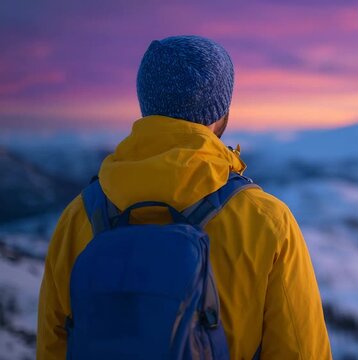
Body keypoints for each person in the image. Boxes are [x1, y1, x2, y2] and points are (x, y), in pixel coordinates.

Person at [37, 35, 332, 359]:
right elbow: (301, 351)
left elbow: (54, 346)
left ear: (147, 106)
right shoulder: (266, 221)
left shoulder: (79, 217)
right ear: (220, 112)